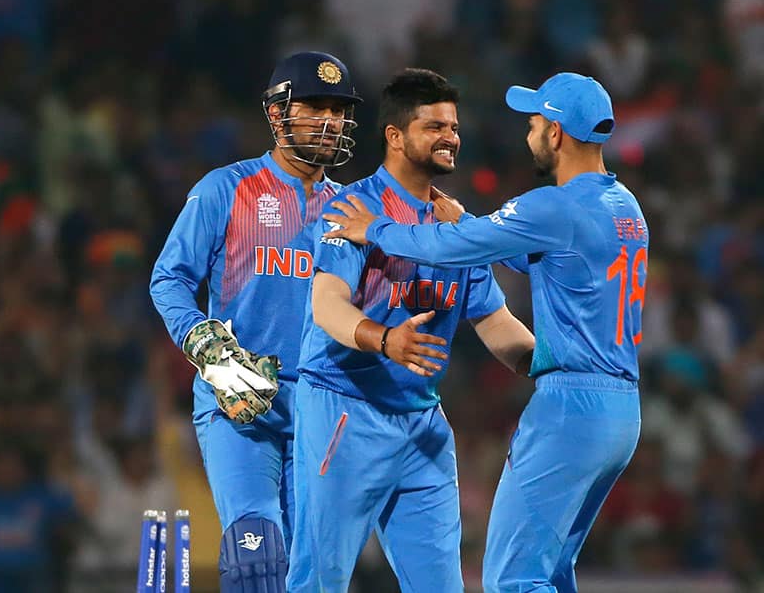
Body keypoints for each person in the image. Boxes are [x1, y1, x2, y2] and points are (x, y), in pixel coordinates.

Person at [323, 72, 648, 593]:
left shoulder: (552, 205)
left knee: (513, 578)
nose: (528, 134)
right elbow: (545, 257)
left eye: (535, 123)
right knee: (551, 572)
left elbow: (455, 249)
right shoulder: (624, 207)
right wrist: (472, 223)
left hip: (571, 406)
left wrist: (376, 228)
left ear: (557, 134)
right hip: (622, 412)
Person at [288, 68, 535, 593]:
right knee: (318, 581)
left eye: (454, 126)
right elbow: (327, 305)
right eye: (434, 127)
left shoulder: (454, 224)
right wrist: (385, 339)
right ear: (395, 136)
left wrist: (557, 365)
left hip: (423, 425)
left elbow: (492, 321)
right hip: (345, 411)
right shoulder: (353, 209)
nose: (450, 137)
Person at [149, 50, 362, 591]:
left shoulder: (353, 212)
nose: (331, 121)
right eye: (316, 107)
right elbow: (169, 279)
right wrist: (205, 347)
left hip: (320, 410)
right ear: (278, 113)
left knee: (309, 572)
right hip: (239, 401)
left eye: (339, 110)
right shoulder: (227, 189)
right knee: (257, 558)